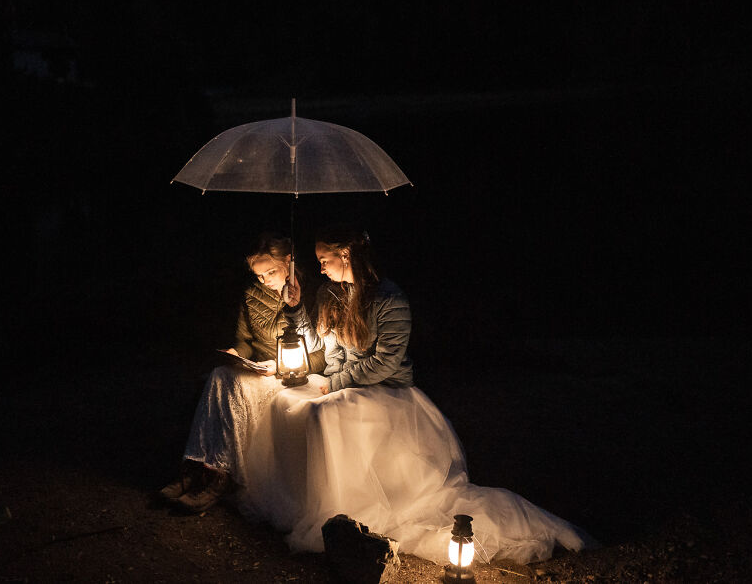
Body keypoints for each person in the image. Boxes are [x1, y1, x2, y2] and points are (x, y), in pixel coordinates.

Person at [238, 224, 594, 565]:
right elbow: (315, 344)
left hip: (384, 393)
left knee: (321, 413)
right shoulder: (328, 294)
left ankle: (339, 510)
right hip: (340, 383)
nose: (320, 268)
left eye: (324, 261)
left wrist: (334, 384)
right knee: (286, 401)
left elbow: (385, 364)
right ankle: (303, 503)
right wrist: (297, 308)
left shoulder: (389, 299)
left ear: (345, 254)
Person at [160, 232, 325, 512]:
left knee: (232, 385)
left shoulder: (312, 294)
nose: (266, 280)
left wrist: (280, 365)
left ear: (290, 261)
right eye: (259, 275)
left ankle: (220, 476)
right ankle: (195, 467)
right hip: (259, 368)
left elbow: (321, 355)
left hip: (292, 375)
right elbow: (245, 341)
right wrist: (237, 355)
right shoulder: (252, 293)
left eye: (271, 272)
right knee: (220, 375)